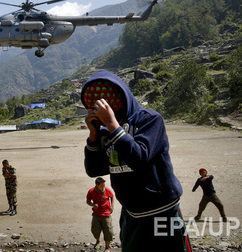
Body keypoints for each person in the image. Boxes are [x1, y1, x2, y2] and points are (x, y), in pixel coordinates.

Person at [82, 70, 192, 252]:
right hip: (131, 214)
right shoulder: (106, 133)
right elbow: (94, 170)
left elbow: (139, 158)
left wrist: (111, 124)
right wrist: (93, 135)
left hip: (162, 212)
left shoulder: (150, 120)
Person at [86, 177, 115, 252]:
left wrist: (112, 206)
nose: (103, 187)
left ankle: (107, 247)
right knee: (95, 230)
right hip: (96, 214)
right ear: (96, 185)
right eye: (101, 186)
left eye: (104, 185)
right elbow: (88, 201)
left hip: (106, 214)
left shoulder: (107, 190)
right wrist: (93, 205)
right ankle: (98, 241)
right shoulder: (91, 191)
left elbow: (112, 197)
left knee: (108, 231)